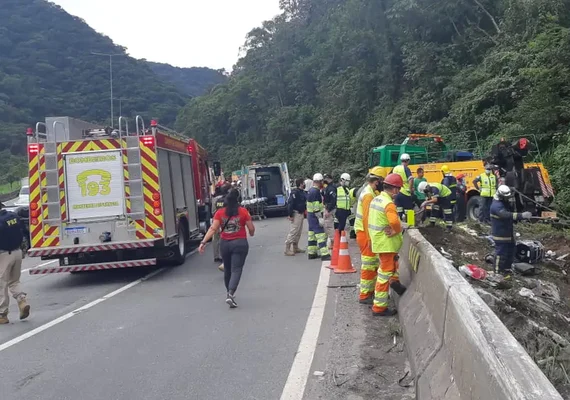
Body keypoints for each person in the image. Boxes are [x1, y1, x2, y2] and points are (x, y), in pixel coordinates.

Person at [199, 189, 255, 308]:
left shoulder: (219, 213)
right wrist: (251, 232)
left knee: (228, 269)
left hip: (225, 244)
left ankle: (228, 293)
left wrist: (203, 242)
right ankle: (230, 293)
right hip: (240, 243)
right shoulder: (244, 212)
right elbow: (251, 229)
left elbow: (213, 229)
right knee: (237, 269)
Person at [368, 173, 407, 316]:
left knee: (392, 265)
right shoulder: (388, 203)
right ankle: (379, 308)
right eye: (399, 189)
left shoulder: (376, 199)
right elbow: (395, 223)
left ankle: (395, 283)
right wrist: (397, 230)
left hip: (379, 241)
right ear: (395, 189)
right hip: (386, 243)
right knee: (384, 274)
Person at [355, 167, 383, 304]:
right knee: (368, 265)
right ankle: (365, 295)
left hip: (365, 233)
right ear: (377, 181)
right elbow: (367, 219)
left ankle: (369, 292)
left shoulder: (371, 192)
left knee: (372, 264)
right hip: (365, 234)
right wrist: (370, 239)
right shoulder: (368, 195)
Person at [490, 185, 532, 275]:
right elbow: (506, 215)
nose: (508, 198)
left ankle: (507, 269)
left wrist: (512, 191)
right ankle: (497, 272)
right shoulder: (496, 205)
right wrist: (521, 216)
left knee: (511, 251)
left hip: (508, 232)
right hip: (500, 233)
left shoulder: (503, 201)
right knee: (501, 253)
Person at [0, 201, 30, 324]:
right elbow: (23, 231)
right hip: (17, 252)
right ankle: (22, 301)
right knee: (14, 281)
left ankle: (2, 314)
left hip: (4, 254)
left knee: (2, 284)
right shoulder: (13, 216)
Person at [306, 174, 331, 260]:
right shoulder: (316, 192)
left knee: (312, 235)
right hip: (315, 216)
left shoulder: (310, 190)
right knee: (320, 235)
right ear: (320, 182)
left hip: (310, 216)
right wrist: (319, 217)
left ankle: (311, 253)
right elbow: (316, 206)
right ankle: (325, 254)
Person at [285, 178, 307, 256]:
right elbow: (290, 204)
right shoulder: (295, 192)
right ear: (301, 184)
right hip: (296, 213)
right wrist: (290, 215)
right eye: (303, 183)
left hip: (301, 214)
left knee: (299, 231)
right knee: (294, 231)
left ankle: (295, 247)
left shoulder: (303, 192)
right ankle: (287, 248)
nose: (304, 184)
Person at [212, 183, 231, 266]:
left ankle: (216, 255)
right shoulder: (228, 199)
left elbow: (213, 211)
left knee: (215, 238)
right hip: (226, 220)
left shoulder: (215, 199)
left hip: (216, 220)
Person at [392, 154, 415, 219]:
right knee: (409, 211)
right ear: (408, 160)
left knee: (399, 211)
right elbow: (411, 179)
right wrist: (410, 189)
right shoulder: (406, 168)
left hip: (396, 192)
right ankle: (410, 226)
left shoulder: (395, 168)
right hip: (405, 193)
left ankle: (399, 226)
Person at [322, 174, 337, 248]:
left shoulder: (331, 188)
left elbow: (333, 200)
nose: (325, 180)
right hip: (328, 207)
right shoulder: (327, 187)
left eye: (326, 178)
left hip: (329, 208)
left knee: (329, 226)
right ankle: (331, 241)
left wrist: (328, 210)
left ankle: (332, 242)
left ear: (329, 179)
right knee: (327, 225)